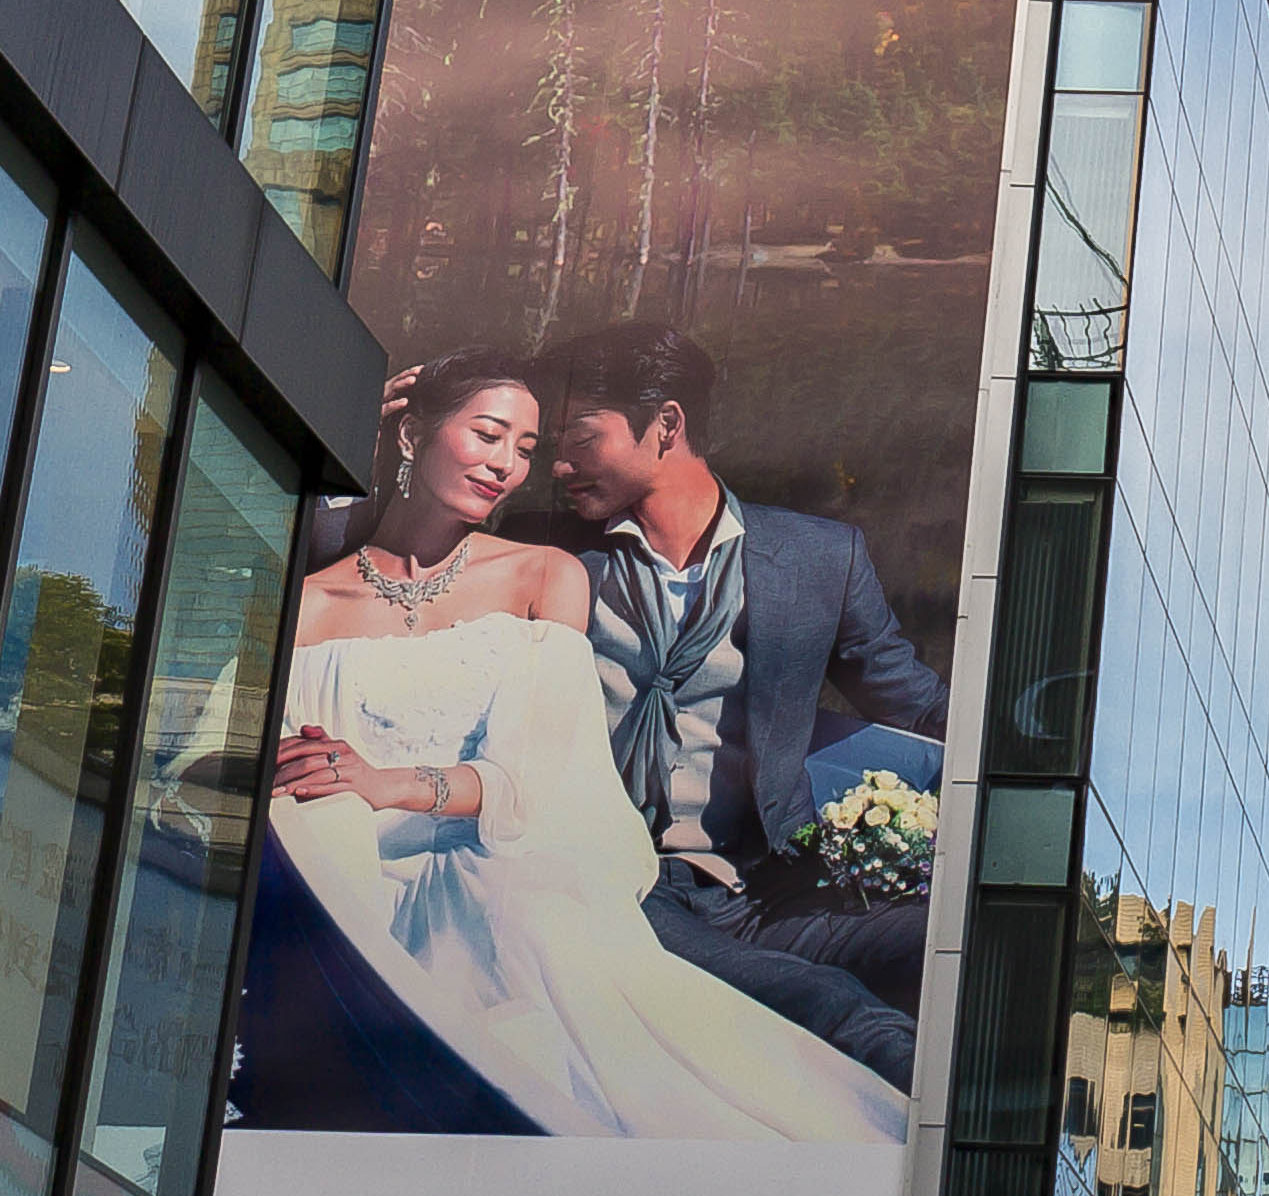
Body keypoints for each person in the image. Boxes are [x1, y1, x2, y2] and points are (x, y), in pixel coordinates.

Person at [271, 358, 906, 1143]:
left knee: (866, 995)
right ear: (411, 431)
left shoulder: (548, 571)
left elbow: (537, 773)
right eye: (491, 434)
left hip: (697, 876)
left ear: (666, 426)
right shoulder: (308, 599)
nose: (517, 465)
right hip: (380, 875)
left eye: (533, 445)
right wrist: (349, 441)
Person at [535, 319, 952, 1088]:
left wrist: (1039, 767)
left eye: (580, 438)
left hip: (771, 892)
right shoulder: (543, 556)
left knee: (958, 948)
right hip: (617, 881)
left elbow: (918, 705)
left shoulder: (820, 558)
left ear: (665, 425)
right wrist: (395, 442)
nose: (556, 464)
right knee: (838, 1011)